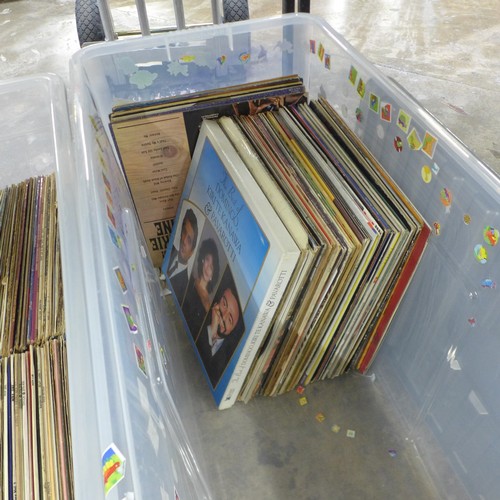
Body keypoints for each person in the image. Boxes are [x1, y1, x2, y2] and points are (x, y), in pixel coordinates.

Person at [195, 269, 244, 388]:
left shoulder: (229, 358)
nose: (223, 315)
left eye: (230, 319)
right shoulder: (197, 315)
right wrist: (211, 330)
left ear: (233, 329)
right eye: (224, 304)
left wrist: (212, 333)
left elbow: (207, 376)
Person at [182, 238, 220, 339]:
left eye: (212, 267)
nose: (208, 268)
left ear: (213, 274)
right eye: (207, 260)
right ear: (202, 260)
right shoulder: (190, 280)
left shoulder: (210, 305)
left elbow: (206, 337)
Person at [166, 208, 198, 302]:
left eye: (189, 240)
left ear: (192, 251)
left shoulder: (185, 288)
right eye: (184, 232)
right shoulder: (169, 248)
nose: (184, 241)